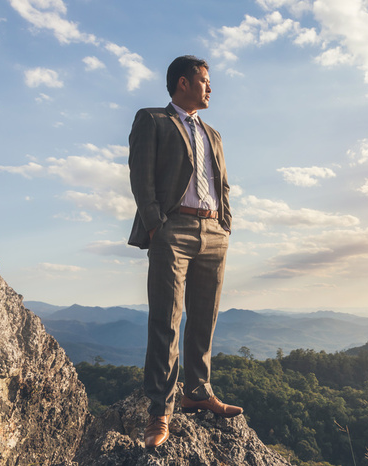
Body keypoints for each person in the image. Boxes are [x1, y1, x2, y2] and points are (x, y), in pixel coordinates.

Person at [128, 55, 242, 449]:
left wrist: (225, 223)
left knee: (205, 318)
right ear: (183, 83)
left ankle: (198, 389)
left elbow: (222, 183)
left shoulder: (214, 134)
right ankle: (160, 409)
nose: (210, 88)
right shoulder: (153, 120)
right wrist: (156, 223)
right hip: (171, 228)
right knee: (166, 320)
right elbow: (140, 176)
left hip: (213, 231)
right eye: (205, 81)